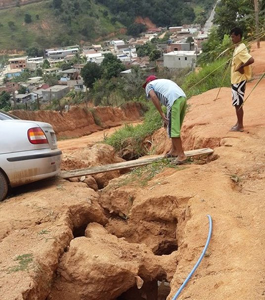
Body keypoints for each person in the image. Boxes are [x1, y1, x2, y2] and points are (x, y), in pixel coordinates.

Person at [143, 75, 187, 164]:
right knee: (174, 126)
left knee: (172, 130)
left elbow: (154, 97)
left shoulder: (149, 85)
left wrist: (162, 114)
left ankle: (181, 156)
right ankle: (174, 151)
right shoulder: (163, 82)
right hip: (182, 98)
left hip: (173, 100)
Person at [230, 27, 254, 132]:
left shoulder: (240, 49)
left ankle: (240, 125)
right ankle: (238, 123)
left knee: (238, 103)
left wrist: (240, 68)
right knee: (236, 103)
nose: (232, 38)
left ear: (239, 36)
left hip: (239, 80)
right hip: (235, 79)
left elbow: (251, 59)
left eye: (233, 36)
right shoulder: (238, 47)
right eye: (231, 36)